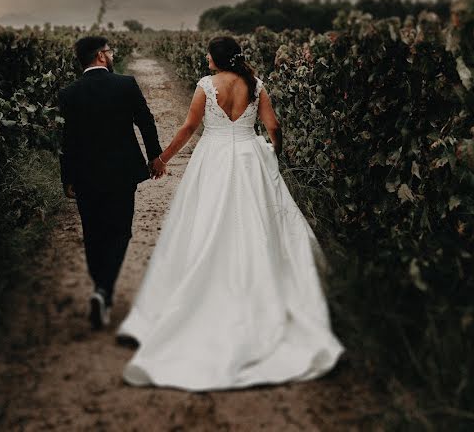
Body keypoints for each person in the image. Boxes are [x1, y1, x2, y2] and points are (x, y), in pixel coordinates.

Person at [116, 35, 345, 391]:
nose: (205, 56)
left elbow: (189, 128)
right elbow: (274, 126)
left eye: (209, 52)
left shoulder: (207, 86)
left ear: (215, 58)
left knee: (206, 222)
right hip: (250, 159)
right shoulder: (255, 84)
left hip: (216, 158)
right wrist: (272, 152)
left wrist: (161, 159)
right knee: (260, 222)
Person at [58, 36, 164, 330]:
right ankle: (103, 290)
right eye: (110, 50)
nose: (112, 54)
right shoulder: (125, 85)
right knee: (119, 231)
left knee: (93, 233)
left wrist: (66, 177)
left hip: (85, 174)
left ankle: (100, 290)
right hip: (121, 171)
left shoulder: (68, 94)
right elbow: (146, 120)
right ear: (102, 57)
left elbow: (65, 142)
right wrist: (155, 156)